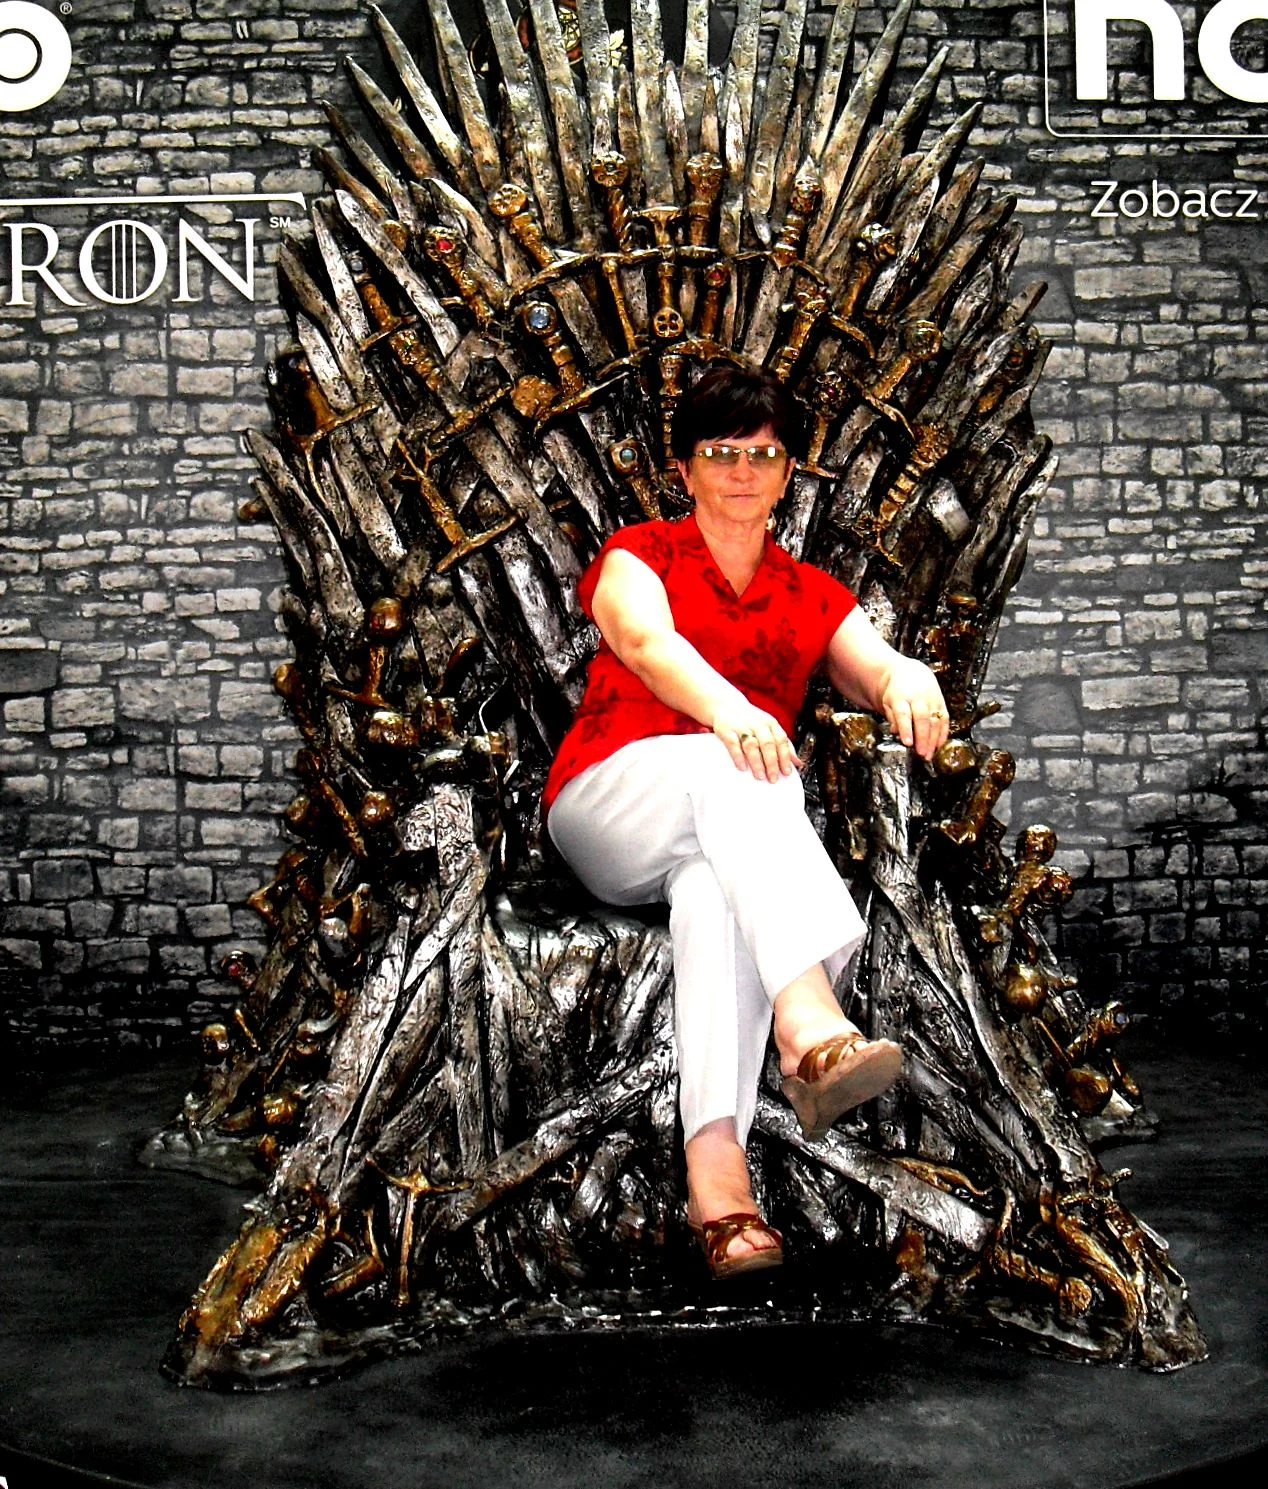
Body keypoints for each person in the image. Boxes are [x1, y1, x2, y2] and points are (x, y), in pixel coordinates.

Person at [543, 366, 950, 1278]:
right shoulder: (638, 554)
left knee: (711, 895)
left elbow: (873, 666)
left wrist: (906, 677)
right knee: (741, 761)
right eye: (720, 451)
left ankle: (718, 1182)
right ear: (684, 469)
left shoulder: (810, 592)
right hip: (609, 805)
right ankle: (808, 1020)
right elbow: (645, 643)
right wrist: (730, 711)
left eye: (762, 454)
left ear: (788, 472)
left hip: (720, 833)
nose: (740, 470)